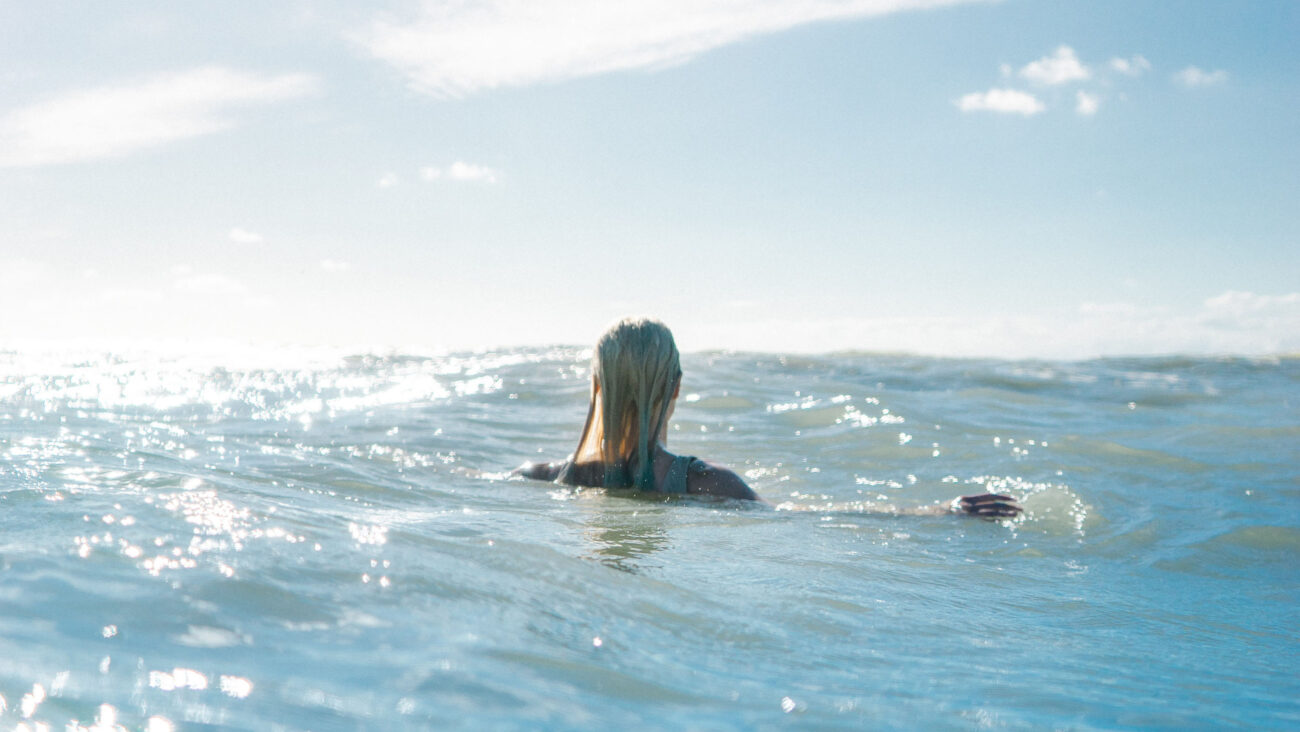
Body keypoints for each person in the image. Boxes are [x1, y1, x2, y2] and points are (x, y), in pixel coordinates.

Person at [514, 317, 1021, 516]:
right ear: (675, 387)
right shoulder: (710, 485)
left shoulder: (545, 477)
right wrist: (939, 512)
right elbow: (808, 516)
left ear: (597, 386)